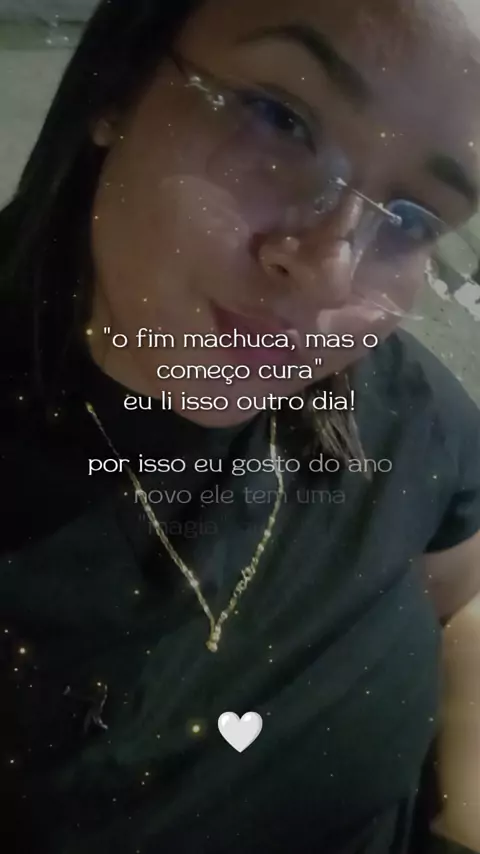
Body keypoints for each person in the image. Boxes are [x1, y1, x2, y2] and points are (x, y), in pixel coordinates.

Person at [0, 0, 480, 851]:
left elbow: (467, 599)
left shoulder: (404, 405)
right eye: (279, 118)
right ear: (120, 80)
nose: (327, 272)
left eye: (413, 218)